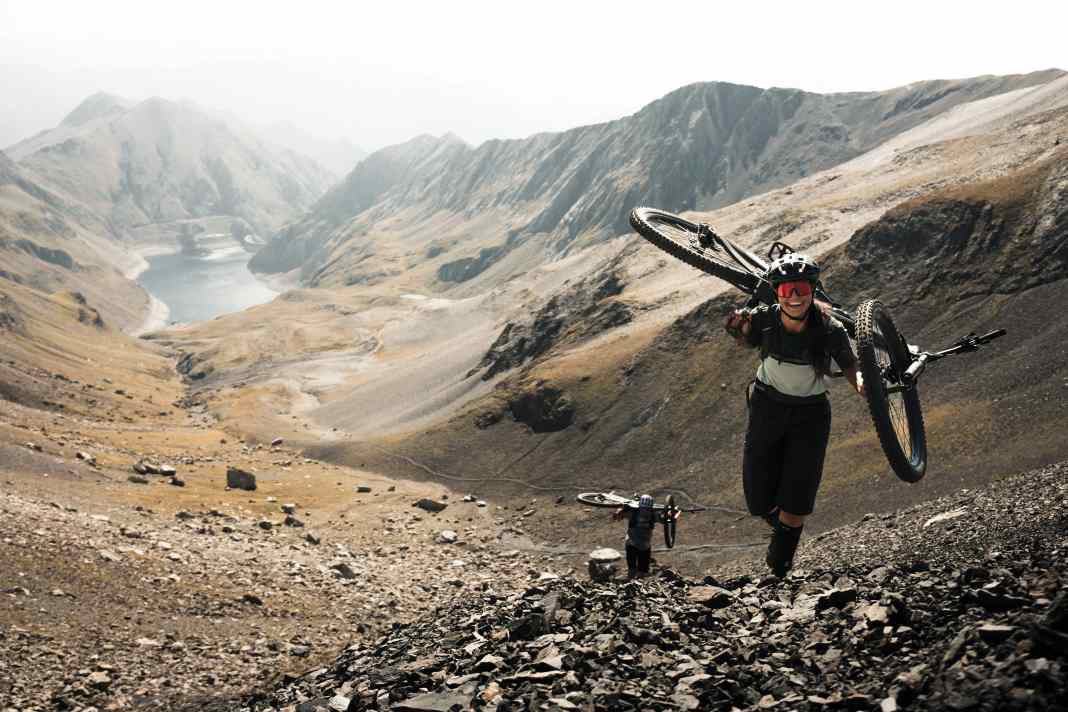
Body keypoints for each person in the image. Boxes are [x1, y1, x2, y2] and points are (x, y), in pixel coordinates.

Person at [724, 253, 865, 578]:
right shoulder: (765, 318)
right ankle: (781, 524)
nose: (796, 297)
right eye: (788, 291)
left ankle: (781, 562)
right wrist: (738, 329)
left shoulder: (829, 329)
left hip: (811, 416)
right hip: (767, 406)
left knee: (798, 494)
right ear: (777, 293)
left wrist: (865, 388)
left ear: (813, 290)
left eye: (801, 288)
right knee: (757, 501)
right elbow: (744, 338)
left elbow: (851, 368)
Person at [613, 494, 657, 578]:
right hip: (637, 544)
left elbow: (617, 516)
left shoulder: (633, 513)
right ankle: (634, 583)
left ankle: (636, 583)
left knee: (640, 569)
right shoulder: (651, 515)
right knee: (637, 569)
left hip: (638, 544)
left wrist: (619, 512)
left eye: (647, 509)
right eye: (644, 509)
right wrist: (619, 511)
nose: (645, 512)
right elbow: (665, 519)